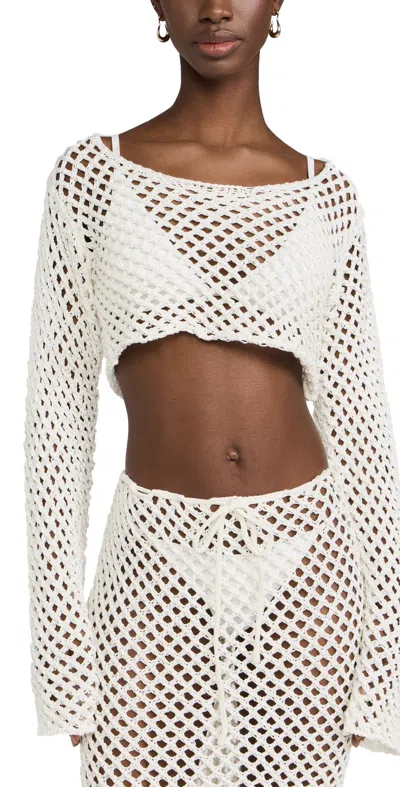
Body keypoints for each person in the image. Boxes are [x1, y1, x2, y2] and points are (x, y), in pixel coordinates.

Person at [23, 1, 400, 785]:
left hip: (308, 563)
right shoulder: (93, 178)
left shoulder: (326, 197)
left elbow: (363, 433)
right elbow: (57, 420)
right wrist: (62, 647)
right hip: (153, 561)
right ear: (158, 5)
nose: (218, 7)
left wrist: (385, 659)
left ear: (278, 4)